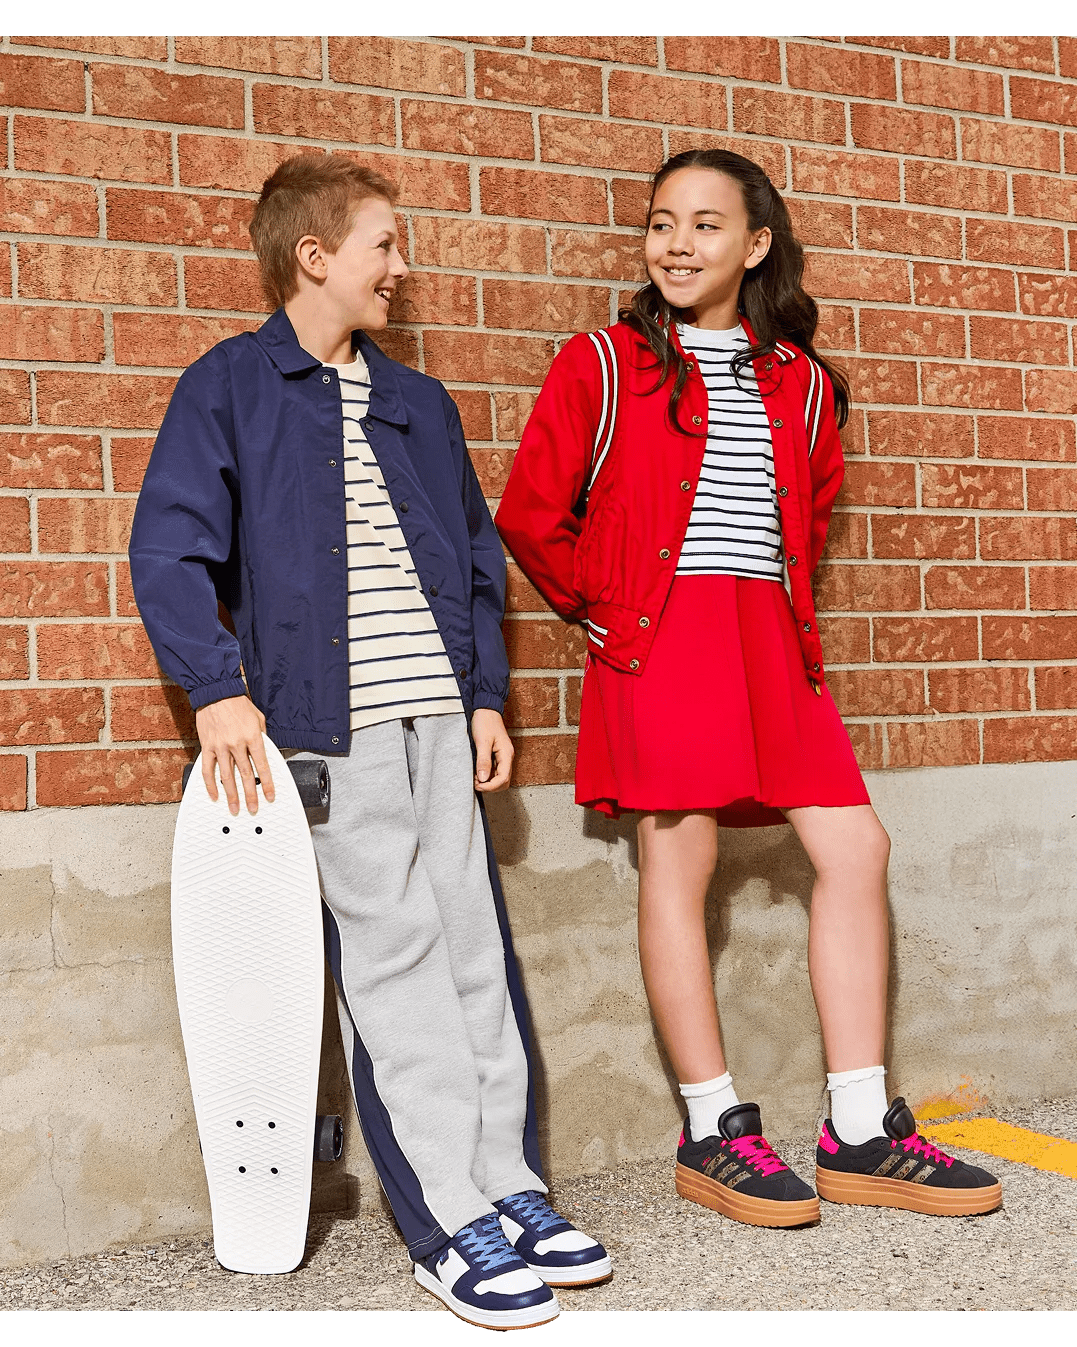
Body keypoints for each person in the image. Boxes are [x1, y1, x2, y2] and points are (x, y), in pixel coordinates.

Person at [129, 152, 611, 1329]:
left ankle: (511, 1187)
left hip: (438, 721)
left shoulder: (419, 403)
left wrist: (486, 696)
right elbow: (167, 549)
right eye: (384, 244)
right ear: (315, 256)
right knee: (393, 975)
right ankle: (443, 1220)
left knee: (470, 951)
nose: (402, 266)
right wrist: (214, 691)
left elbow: (473, 563)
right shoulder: (230, 388)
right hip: (322, 736)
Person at [496, 148, 1001, 1227]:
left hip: (771, 643)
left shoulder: (806, 384)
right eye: (662, 222)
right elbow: (533, 512)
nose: (677, 244)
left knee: (857, 847)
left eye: (705, 225)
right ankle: (711, 1127)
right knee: (684, 857)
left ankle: (859, 1128)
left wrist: (777, 623)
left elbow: (802, 524)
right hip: (659, 641)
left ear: (755, 245)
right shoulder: (601, 363)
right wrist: (607, 611)